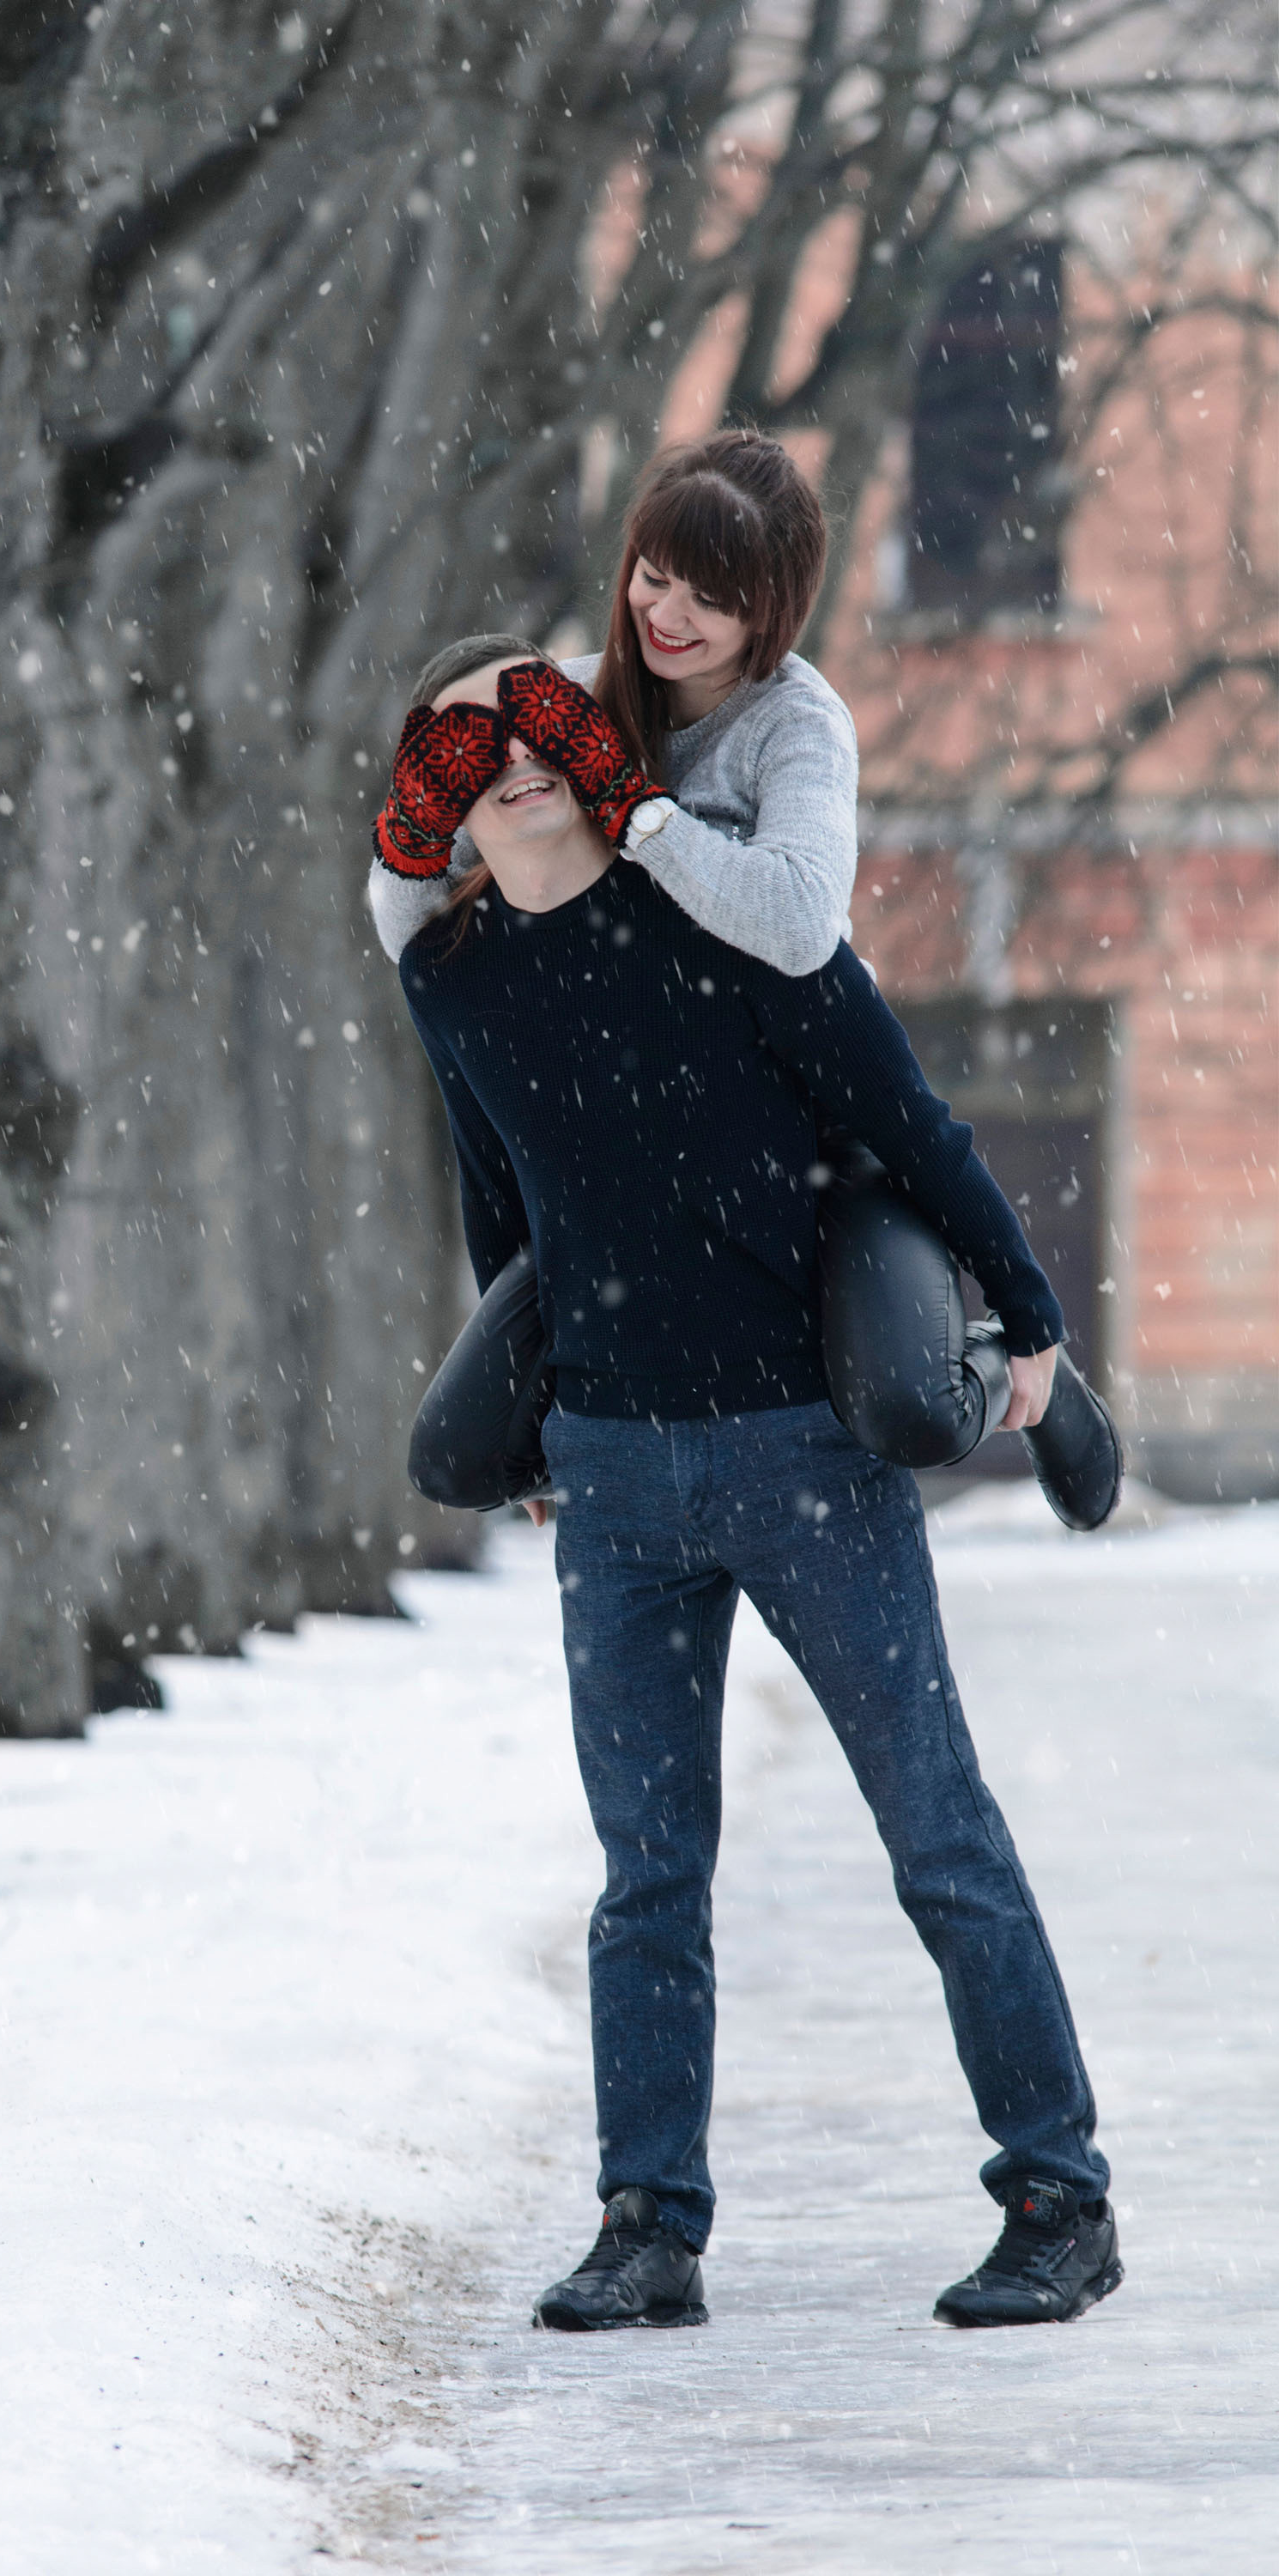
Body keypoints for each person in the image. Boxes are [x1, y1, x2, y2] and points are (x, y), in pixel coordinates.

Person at [379, 640, 1122, 2334]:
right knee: (645, 1872)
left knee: (936, 1834)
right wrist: (532, 1424)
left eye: (534, 720)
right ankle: (648, 2224)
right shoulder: (454, 981)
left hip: (807, 1456)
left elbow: (907, 1118)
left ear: (589, 742)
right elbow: (501, 1206)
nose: (509, 759)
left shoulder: (728, 917)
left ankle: (1059, 2199)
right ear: (430, 791)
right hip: (614, 1479)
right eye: (463, 744)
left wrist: (1028, 1319)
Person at [368, 428, 861, 983]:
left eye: (707, 599)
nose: (665, 617)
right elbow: (410, 939)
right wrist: (418, 827)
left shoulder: (799, 724)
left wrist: (632, 809)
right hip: (612, 1019)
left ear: (773, 612)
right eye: (654, 578)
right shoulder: (560, 699)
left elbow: (803, 928)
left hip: (783, 1029)